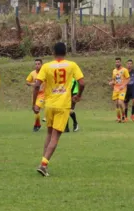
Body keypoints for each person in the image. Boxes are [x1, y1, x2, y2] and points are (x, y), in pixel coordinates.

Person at [32, 42, 85, 177]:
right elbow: (82, 82)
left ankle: (43, 163)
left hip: (49, 105)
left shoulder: (46, 66)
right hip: (63, 105)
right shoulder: (72, 65)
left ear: (53, 52)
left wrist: (34, 103)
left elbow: (36, 85)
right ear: (65, 52)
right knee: (55, 136)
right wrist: (78, 96)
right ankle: (44, 165)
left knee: (49, 134)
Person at [26, 59, 45, 132]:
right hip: (36, 94)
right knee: (35, 110)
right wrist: (32, 84)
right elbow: (27, 81)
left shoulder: (44, 73)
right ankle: (38, 125)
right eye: (36, 64)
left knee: (36, 108)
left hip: (44, 94)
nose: (37, 65)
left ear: (41, 65)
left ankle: (36, 125)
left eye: (38, 64)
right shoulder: (32, 73)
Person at [109, 57, 130, 123]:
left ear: (120, 62)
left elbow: (128, 79)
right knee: (117, 104)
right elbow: (114, 79)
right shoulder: (114, 71)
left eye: (118, 62)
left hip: (122, 89)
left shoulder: (124, 70)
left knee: (121, 102)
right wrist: (111, 82)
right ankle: (118, 118)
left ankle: (124, 116)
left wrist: (123, 85)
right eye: (116, 62)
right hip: (116, 89)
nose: (117, 63)